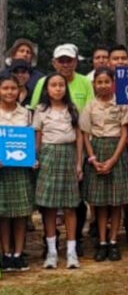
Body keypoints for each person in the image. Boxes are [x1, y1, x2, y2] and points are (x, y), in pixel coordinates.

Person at [80, 68, 128, 262]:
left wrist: (113, 159)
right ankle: (102, 241)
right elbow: (85, 134)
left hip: (116, 150)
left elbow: (125, 133)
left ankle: (113, 241)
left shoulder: (121, 104)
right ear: (94, 84)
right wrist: (92, 159)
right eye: (99, 82)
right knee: (100, 203)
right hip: (97, 150)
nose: (103, 86)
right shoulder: (90, 106)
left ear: (113, 84)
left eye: (106, 82)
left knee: (116, 202)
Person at [33, 73, 83, 269]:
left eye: (61, 85)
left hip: (68, 155)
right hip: (48, 156)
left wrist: (79, 163)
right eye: (53, 85)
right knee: (49, 207)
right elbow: (38, 137)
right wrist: (36, 158)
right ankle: (52, 252)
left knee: (70, 206)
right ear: (47, 89)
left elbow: (79, 136)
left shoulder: (72, 109)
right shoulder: (41, 110)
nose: (58, 88)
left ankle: (71, 252)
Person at [0, 74, 35, 272]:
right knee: (3, 213)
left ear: (19, 91)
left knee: (21, 213)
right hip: (1, 171)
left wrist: (33, 158)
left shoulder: (27, 114)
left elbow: (32, 141)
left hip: (21, 170)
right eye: (5, 88)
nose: (9, 92)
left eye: (13, 88)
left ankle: (19, 253)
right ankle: (6, 253)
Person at [30, 44, 94, 113]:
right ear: (54, 63)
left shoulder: (85, 82)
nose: (65, 65)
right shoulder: (43, 82)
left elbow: (91, 109)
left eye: (69, 61)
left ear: (76, 62)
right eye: (61, 61)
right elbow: (34, 109)